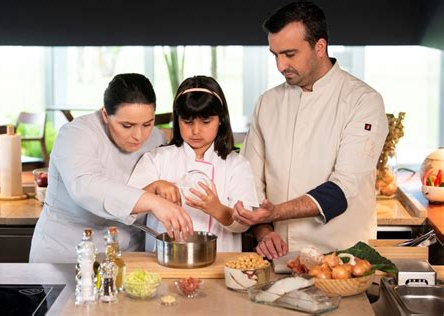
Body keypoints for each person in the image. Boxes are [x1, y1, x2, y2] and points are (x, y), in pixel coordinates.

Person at [233, 1, 388, 259]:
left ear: (320, 46)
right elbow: (249, 181)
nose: (281, 66)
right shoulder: (267, 102)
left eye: (290, 54)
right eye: (275, 55)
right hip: (278, 256)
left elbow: (342, 189)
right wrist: (263, 230)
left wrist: (274, 213)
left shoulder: (363, 101)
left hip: (341, 258)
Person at [29, 73, 193, 263]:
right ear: (105, 114)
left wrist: (156, 190)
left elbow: (128, 201)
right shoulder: (76, 134)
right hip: (67, 254)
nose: (139, 135)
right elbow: (86, 187)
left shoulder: (157, 139)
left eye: (147, 124)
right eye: (127, 125)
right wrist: (153, 201)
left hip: (129, 256)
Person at [128, 75, 258, 252]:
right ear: (177, 119)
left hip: (219, 262)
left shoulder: (237, 165)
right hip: (163, 260)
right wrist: (154, 188)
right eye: (187, 122)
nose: (196, 131)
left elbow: (244, 223)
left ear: (221, 120)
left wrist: (217, 209)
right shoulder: (156, 158)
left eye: (206, 122)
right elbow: (127, 207)